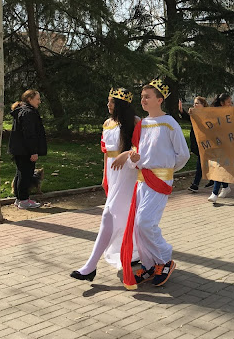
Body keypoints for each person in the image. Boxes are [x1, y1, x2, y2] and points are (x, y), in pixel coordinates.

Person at [120, 80, 190, 289]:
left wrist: (167, 171)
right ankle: (150, 265)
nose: (143, 100)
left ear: (159, 100)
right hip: (142, 179)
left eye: (147, 96)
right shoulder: (142, 124)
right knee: (138, 226)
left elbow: (183, 155)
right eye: (142, 96)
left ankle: (165, 260)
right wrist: (134, 159)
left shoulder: (169, 123)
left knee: (145, 222)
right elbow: (136, 151)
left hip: (159, 180)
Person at [71, 88, 139, 282]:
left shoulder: (135, 122)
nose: (108, 105)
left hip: (128, 173)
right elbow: (105, 153)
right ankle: (134, 252)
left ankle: (90, 266)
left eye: (111, 101)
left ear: (120, 104)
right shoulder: (107, 123)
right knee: (121, 216)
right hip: (112, 172)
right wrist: (104, 176)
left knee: (109, 214)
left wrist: (125, 154)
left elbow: (141, 147)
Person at [8, 89, 47, 209]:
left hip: (19, 149)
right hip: (25, 150)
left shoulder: (22, 111)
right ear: (30, 99)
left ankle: (19, 198)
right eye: (37, 99)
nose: (39, 102)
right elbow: (29, 134)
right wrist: (33, 151)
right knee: (26, 174)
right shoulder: (28, 113)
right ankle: (24, 200)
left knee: (21, 173)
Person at [208, 93, 234, 202]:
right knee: (220, 166)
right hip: (216, 143)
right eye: (228, 102)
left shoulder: (232, 112)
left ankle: (214, 193)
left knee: (219, 166)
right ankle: (226, 187)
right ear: (222, 103)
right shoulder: (214, 112)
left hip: (227, 144)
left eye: (231, 102)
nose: (230, 104)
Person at [179, 96, 208, 192]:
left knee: (200, 162)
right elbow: (188, 118)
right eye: (194, 103)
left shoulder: (207, 114)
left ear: (203, 105)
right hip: (196, 142)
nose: (194, 105)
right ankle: (216, 181)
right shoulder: (194, 115)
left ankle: (195, 184)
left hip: (205, 143)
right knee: (207, 163)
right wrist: (181, 110)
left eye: (197, 103)